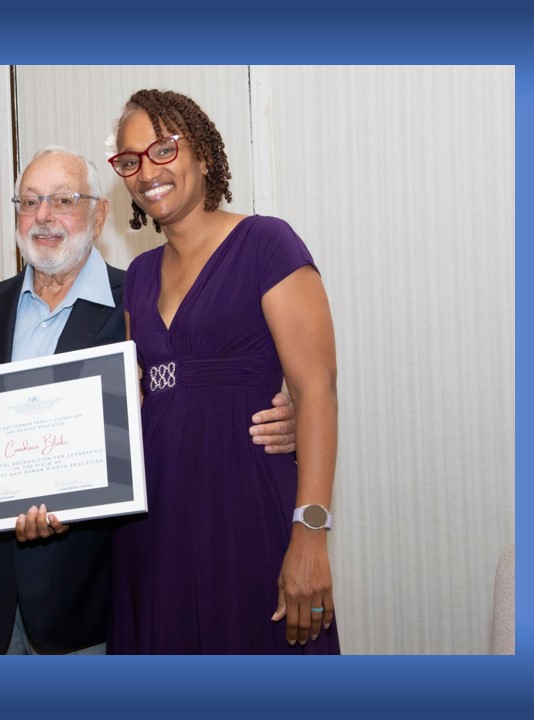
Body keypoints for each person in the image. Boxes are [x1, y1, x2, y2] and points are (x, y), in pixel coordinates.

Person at [0, 147, 298, 655]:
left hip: (100, 607)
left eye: (63, 200)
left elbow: (192, 403)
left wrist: (287, 419)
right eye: (29, 201)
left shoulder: (144, 303)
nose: (43, 216)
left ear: (99, 215)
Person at [107, 89, 341, 654]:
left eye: (163, 149)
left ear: (204, 155)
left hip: (244, 507)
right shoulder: (138, 276)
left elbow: (317, 391)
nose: (147, 172)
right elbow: (138, 404)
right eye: (131, 160)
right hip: (153, 525)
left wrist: (311, 532)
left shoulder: (267, 244)